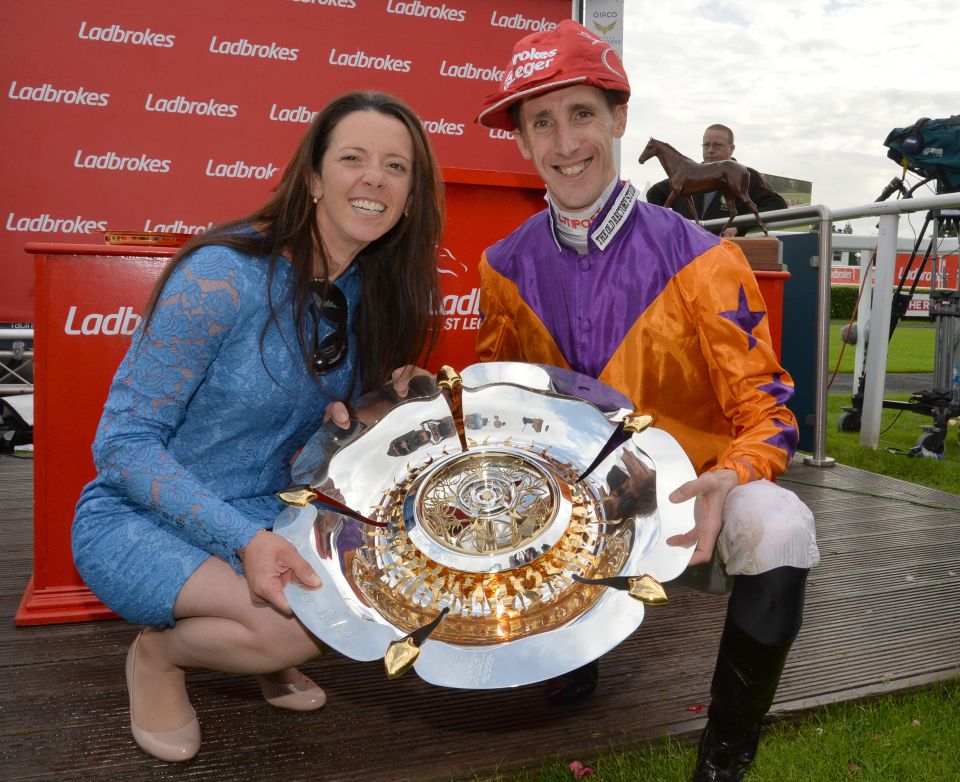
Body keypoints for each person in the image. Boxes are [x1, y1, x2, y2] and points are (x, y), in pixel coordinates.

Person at [475, 21, 818, 782]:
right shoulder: (500, 266)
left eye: (583, 115)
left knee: (784, 527)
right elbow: (497, 403)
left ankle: (724, 759)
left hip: (685, 495)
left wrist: (737, 474)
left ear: (620, 120)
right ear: (524, 142)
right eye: (542, 122)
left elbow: (769, 413)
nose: (565, 142)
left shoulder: (702, 255)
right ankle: (568, 648)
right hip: (567, 508)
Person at [71, 91, 444, 762]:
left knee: (360, 603)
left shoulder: (371, 292)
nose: (374, 179)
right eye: (353, 158)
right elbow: (120, 446)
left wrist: (377, 403)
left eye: (396, 167)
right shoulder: (221, 276)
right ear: (312, 177)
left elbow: (317, 425)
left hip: (267, 513)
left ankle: (258, 645)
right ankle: (157, 659)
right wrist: (243, 541)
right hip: (140, 517)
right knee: (293, 630)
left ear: (412, 197)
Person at [646, 123, 787, 237]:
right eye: (706, 145)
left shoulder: (748, 176)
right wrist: (674, 223)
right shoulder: (686, 175)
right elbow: (653, 194)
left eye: (717, 145)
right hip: (688, 252)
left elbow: (777, 205)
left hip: (725, 253)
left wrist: (739, 225)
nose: (710, 150)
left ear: (731, 149)